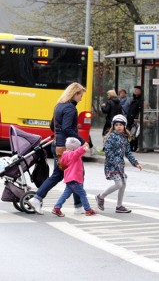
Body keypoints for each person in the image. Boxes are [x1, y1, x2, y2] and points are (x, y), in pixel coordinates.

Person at [28, 82, 86, 215]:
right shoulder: (71, 108)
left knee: (63, 175)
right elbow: (67, 128)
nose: (81, 98)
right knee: (76, 174)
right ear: (75, 93)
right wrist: (82, 141)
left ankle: (77, 206)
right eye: (80, 95)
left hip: (57, 145)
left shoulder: (58, 106)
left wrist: (59, 134)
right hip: (66, 148)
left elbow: (52, 126)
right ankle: (38, 199)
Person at [95, 114, 143, 213]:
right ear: (113, 126)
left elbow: (128, 153)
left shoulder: (124, 138)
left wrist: (136, 163)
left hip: (120, 165)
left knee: (123, 184)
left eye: (121, 125)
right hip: (111, 165)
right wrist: (114, 162)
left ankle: (119, 206)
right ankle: (100, 196)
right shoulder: (111, 137)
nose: (119, 127)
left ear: (124, 126)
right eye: (116, 125)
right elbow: (108, 152)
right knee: (119, 184)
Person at [51, 137, 96, 217]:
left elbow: (79, 153)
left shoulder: (65, 154)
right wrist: (84, 146)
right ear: (74, 148)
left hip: (69, 178)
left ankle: (57, 207)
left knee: (65, 195)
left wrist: (83, 149)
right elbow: (78, 152)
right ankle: (88, 209)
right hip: (74, 178)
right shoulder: (73, 154)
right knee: (82, 194)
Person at [126, 86, 144, 152]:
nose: (135, 91)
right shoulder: (134, 99)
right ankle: (131, 146)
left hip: (135, 119)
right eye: (135, 90)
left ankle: (134, 146)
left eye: (137, 90)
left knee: (134, 133)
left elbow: (139, 110)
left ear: (140, 91)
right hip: (130, 118)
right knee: (130, 133)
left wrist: (136, 118)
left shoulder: (140, 100)